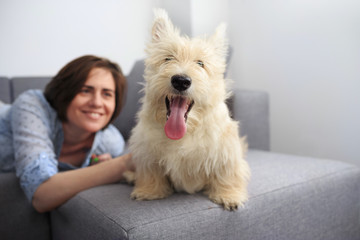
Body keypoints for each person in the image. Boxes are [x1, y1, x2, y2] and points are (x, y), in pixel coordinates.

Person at [0, 55, 134, 213]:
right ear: (65, 93)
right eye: (85, 91)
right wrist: (122, 164)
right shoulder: (32, 105)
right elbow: (41, 195)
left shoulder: (111, 142)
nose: (97, 103)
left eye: (107, 94)